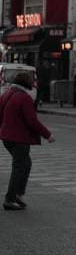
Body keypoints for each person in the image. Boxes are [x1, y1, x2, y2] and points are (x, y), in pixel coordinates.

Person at [0, 70, 54, 210]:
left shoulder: (6, 94)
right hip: (18, 138)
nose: (33, 83)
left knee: (25, 164)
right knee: (20, 167)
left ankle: (17, 194)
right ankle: (10, 198)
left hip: (7, 137)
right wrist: (47, 134)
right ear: (27, 83)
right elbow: (32, 121)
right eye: (32, 81)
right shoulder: (24, 98)